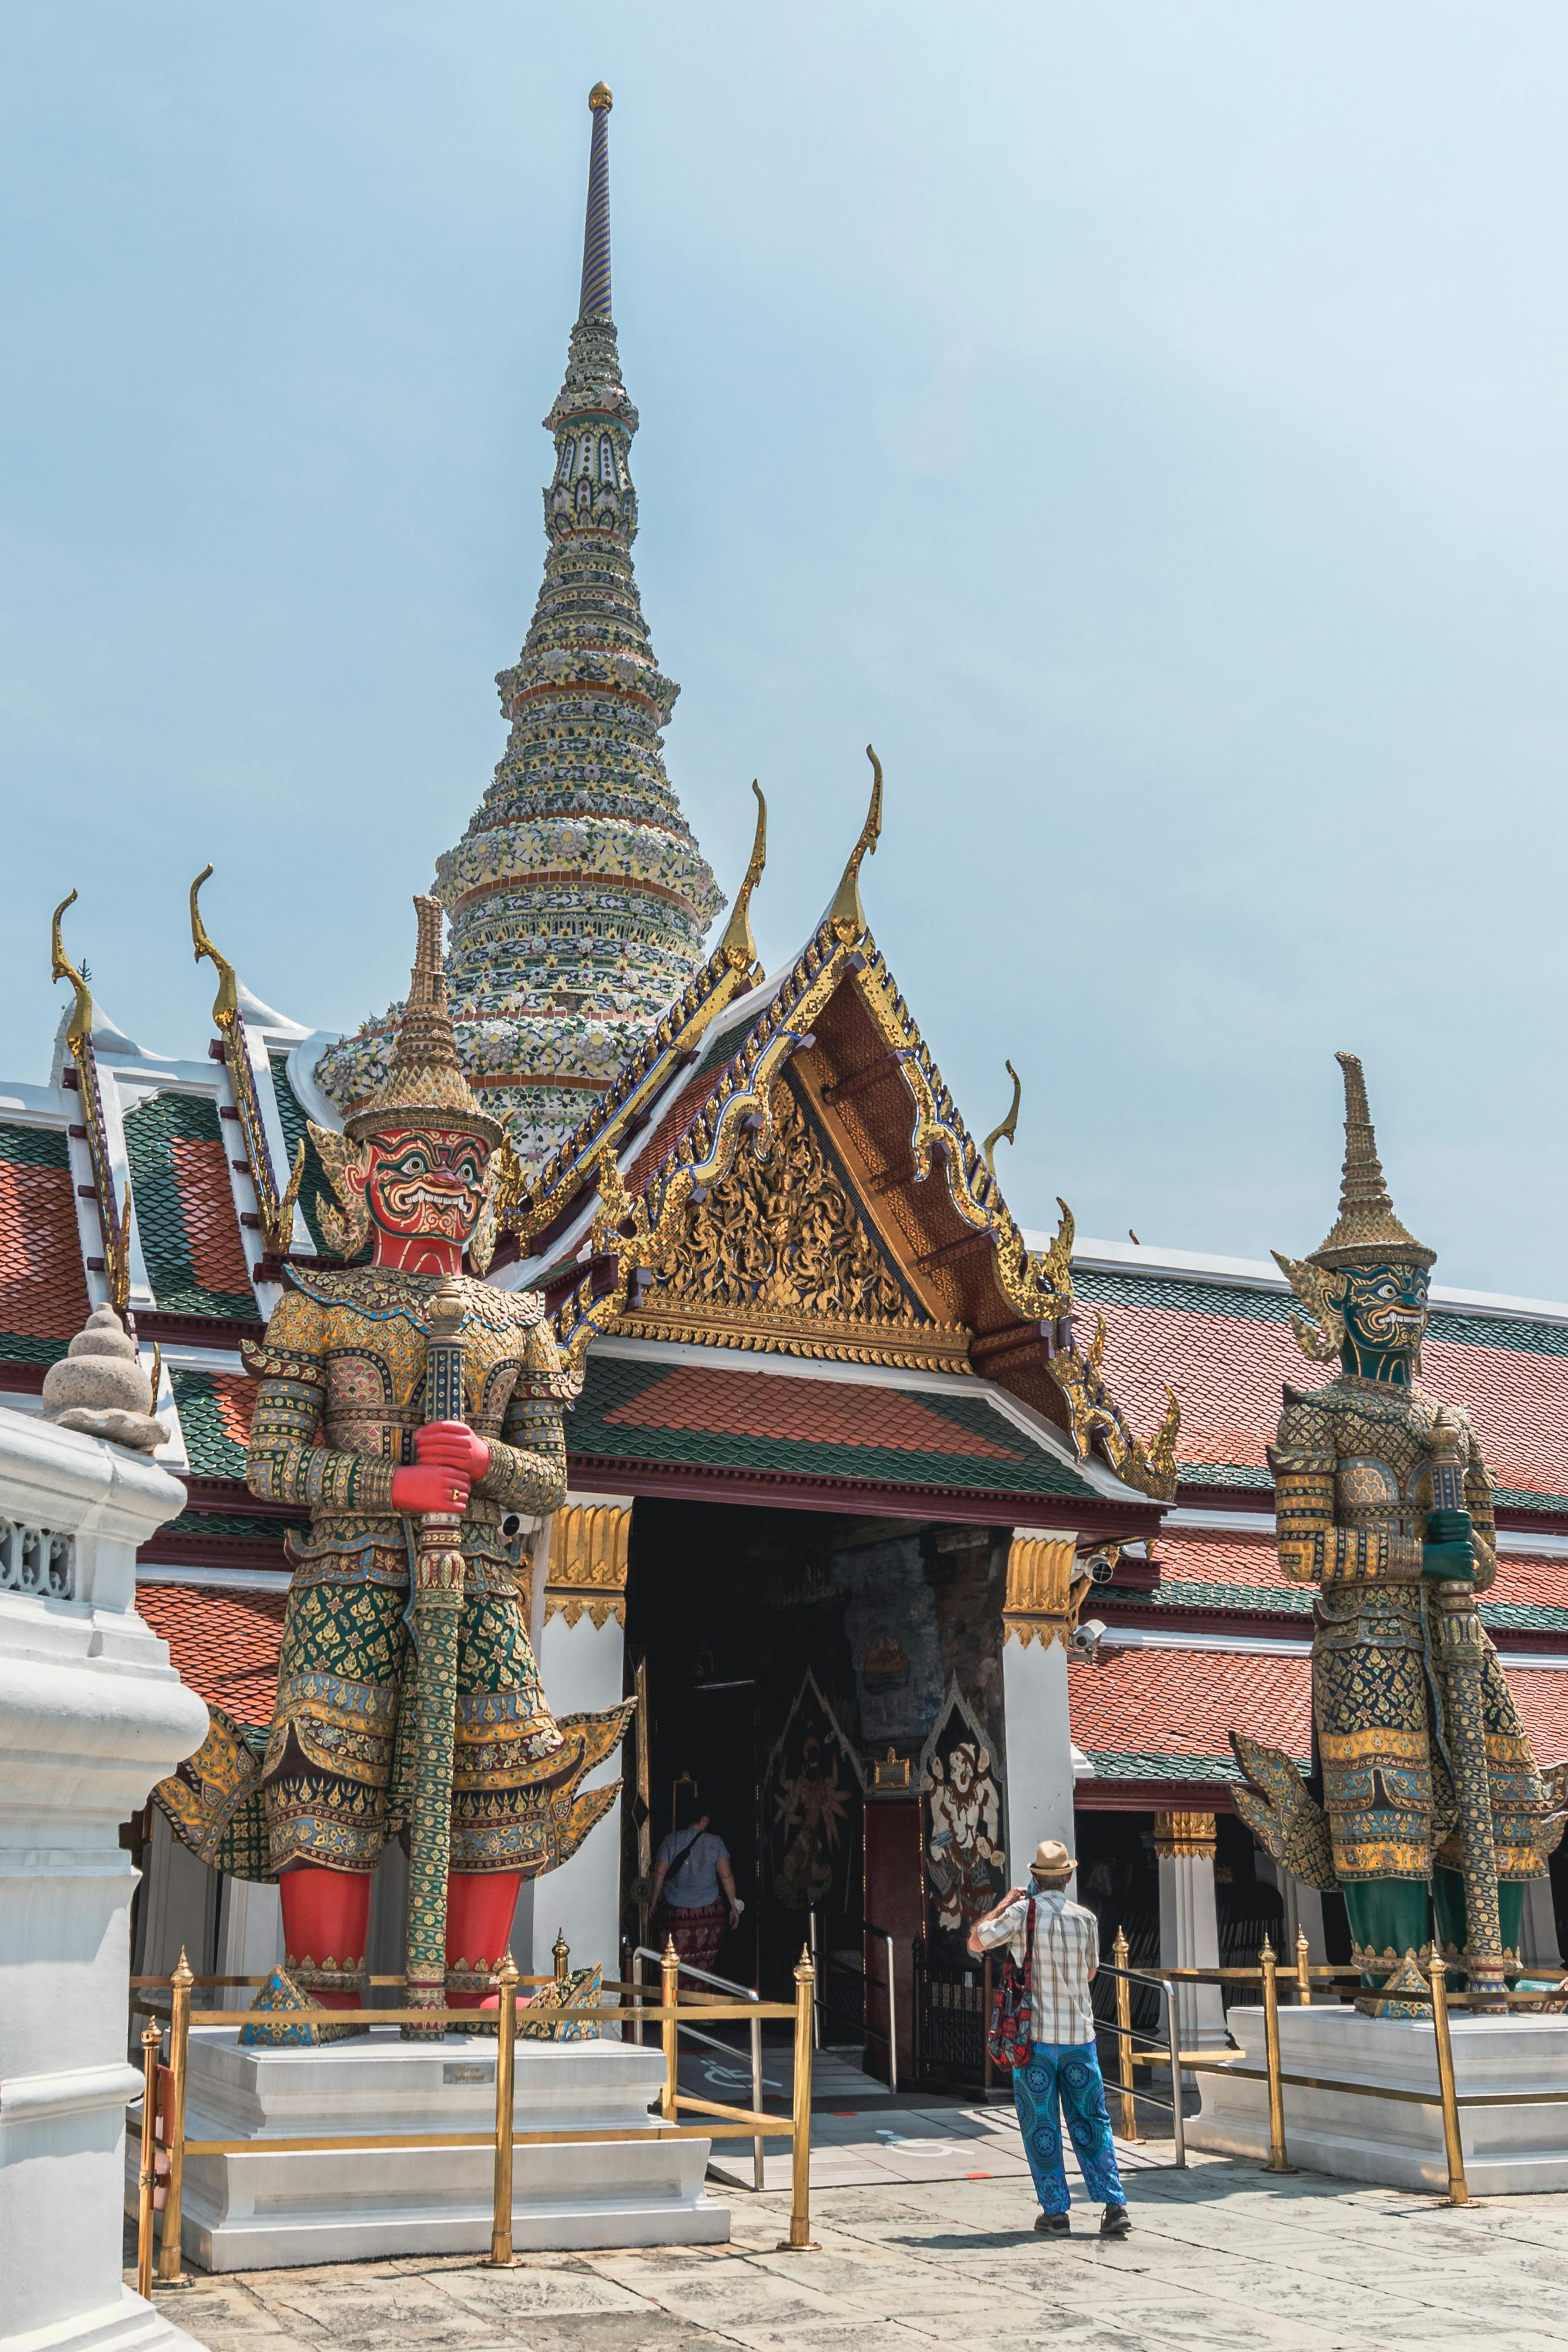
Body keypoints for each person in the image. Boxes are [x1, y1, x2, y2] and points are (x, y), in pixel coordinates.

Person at [969, 1838, 1130, 2239]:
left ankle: (1056, 2212)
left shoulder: (1022, 1913)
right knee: (1092, 2120)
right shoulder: (1086, 1918)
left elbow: (976, 1940)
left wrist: (1005, 1903)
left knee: (1041, 2125)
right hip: (1079, 2037)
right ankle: (1113, 2205)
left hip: (1035, 2042)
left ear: (1036, 1879)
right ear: (1068, 1878)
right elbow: (1090, 1973)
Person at [651, 1808, 740, 1975]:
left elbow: (659, 1873)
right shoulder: (715, 1842)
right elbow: (726, 1876)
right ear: (704, 1819)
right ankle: (700, 1989)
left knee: (673, 1963)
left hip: (676, 1913)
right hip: (708, 1914)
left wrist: (654, 1902)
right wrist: (733, 1906)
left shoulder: (671, 1840)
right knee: (704, 1966)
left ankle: (673, 1989)